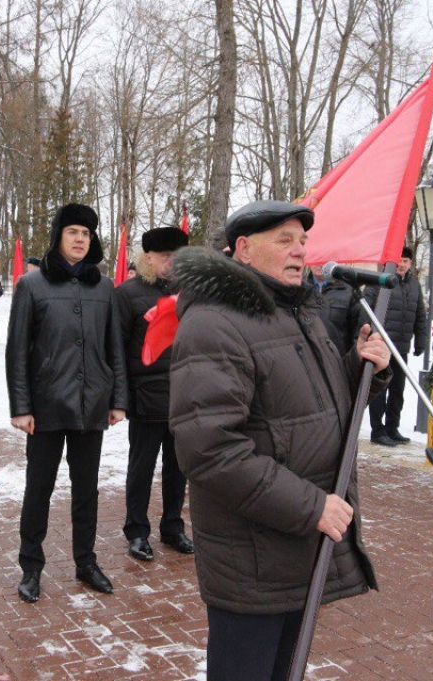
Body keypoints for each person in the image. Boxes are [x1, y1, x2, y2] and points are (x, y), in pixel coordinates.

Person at [169, 200, 391, 681]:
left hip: (295, 549)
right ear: (245, 250)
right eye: (284, 241)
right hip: (253, 559)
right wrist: (311, 506)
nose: (300, 252)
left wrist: (363, 368)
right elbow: (210, 451)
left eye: (304, 241)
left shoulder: (301, 313)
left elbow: (318, 410)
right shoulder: (215, 324)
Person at [6, 203, 128, 604]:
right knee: (38, 489)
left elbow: (115, 349)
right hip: (45, 407)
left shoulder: (103, 287)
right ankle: (31, 566)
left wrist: (117, 399)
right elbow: (17, 351)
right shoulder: (33, 285)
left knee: (86, 490)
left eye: (87, 233)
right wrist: (21, 406)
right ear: (59, 235)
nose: (80, 239)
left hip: (91, 406)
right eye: (73, 231)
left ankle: (86, 561)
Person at [112, 226, 193, 562]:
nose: (171, 263)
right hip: (145, 399)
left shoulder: (191, 291)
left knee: (179, 469)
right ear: (148, 258)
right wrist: (120, 399)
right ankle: (137, 531)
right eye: (165, 257)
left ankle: (173, 527)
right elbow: (115, 349)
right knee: (141, 469)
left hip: (184, 397)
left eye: (178, 257)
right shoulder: (128, 294)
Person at [362, 245, 428, 447]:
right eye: (399, 260)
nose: (402, 264)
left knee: (398, 390)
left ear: (410, 263)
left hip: (402, 348)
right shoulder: (378, 282)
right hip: (381, 346)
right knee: (379, 390)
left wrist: (421, 341)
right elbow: (365, 309)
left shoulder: (414, 285)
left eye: (406, 261)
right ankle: (377, 429)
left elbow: (420, 315)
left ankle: (392, 427)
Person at [305, 265, 362, 356]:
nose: (321, 263)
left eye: (325, 258)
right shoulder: (299, 289)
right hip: (308, 360)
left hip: (339, 361)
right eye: (317, 259)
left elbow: (359, 333)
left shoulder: (350, 291)